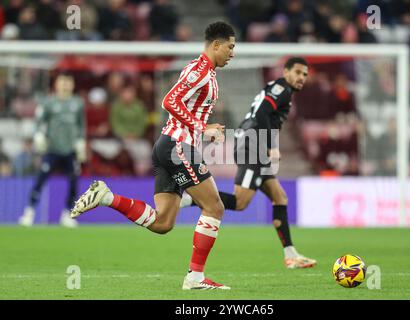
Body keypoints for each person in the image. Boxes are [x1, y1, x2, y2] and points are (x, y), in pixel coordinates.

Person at [70, 22, 236, 290]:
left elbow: (182, 108)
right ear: (215, 44)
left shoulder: (206, 72)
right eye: (230, 47)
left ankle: (106, 196)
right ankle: (195, 278)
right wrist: (201, 127)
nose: (232, 53)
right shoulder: (200, 70)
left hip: (169, 146)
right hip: (178, 147)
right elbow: (169, 101)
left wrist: (205, 129)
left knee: (162, 223)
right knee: (214, 207)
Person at [180, 57, 317, 269]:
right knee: (240, 202)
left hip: (253, 145)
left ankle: (291, 255)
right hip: (252, 144)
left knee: (280, 197)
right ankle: (190, 198)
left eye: (305, 75)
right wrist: (271, 145)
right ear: (286, 72)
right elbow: (261, 113)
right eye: (298, 72)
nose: (301, 78)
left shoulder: (282, 92)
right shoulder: (281, 88)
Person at [18, 72, 86, 228]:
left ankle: (67, 214)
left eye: (68, 82)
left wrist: (81, 141)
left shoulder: (78, 103)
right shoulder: (48, 102)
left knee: (74, 181)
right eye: (62, 82)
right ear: (56, 84)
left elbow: (81, 125)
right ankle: (29, 212)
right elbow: (39, 122)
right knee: (40, 180)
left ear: (72, 84)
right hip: (52, 149)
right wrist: (39, 135)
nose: (65, 85)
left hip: (70, 150)